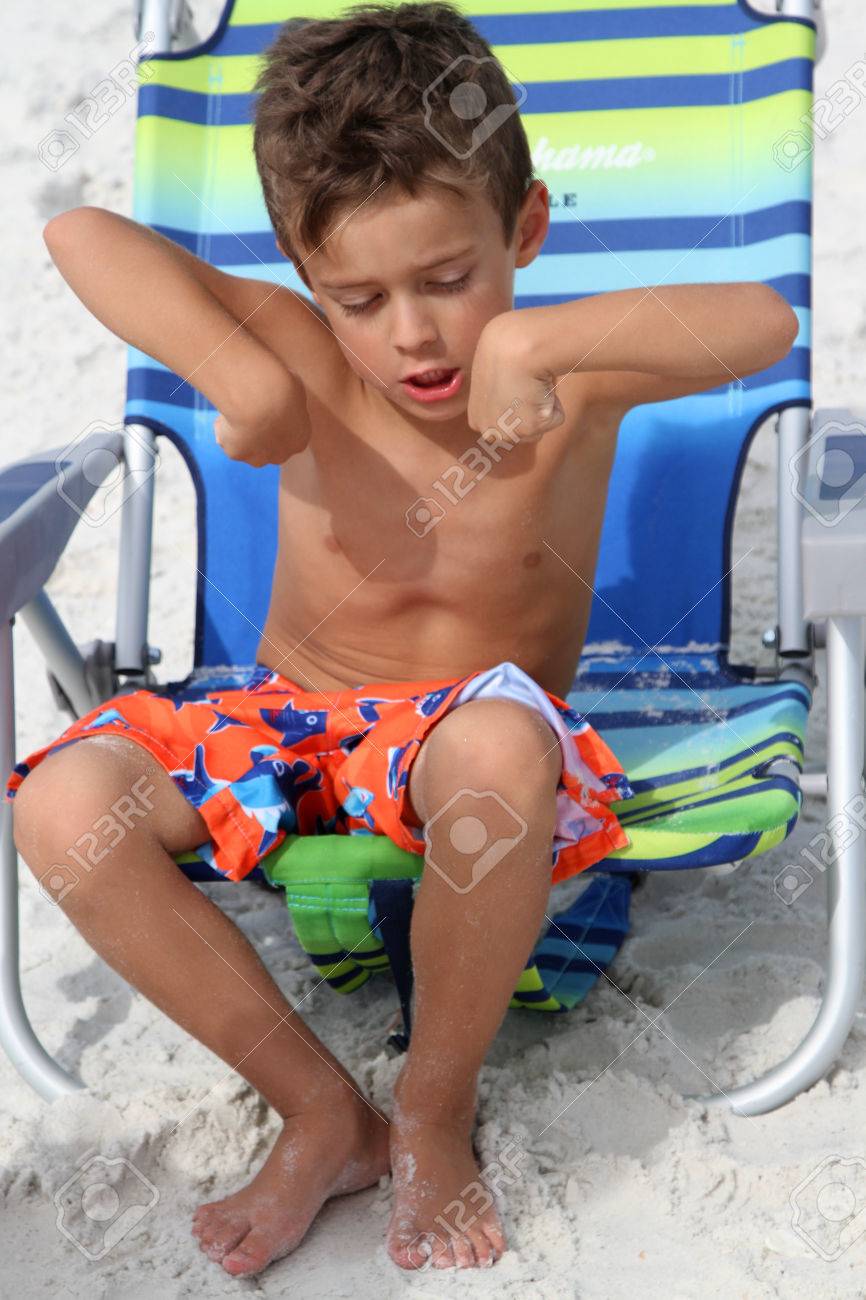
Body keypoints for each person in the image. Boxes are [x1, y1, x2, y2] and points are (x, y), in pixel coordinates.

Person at [6, 0, 798, 1279]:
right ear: (301, 273)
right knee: (59, 808)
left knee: (496, 748)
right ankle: (324, 1111)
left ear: (523, 228)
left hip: (468, 734)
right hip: (279, 721)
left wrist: (541, 337)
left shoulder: (575, 375)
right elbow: (78, 231)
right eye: (360, 296)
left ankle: (431, 1114)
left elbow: (761, 319)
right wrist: (241, 372)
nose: (413, 336)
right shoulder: (298, 352)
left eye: (447, 279)